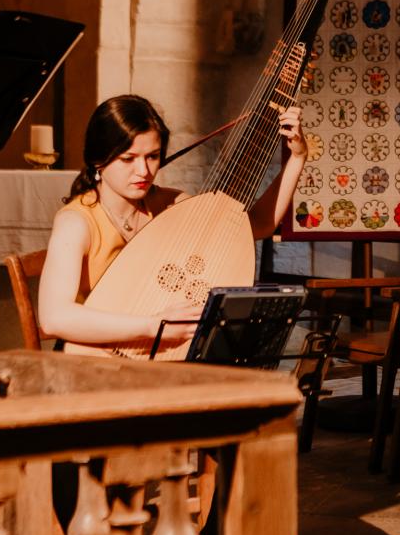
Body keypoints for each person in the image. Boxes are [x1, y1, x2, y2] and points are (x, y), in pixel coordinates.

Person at [37, 91, 306, 348]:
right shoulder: (77, 222)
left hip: (159, 353)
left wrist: (296, 157)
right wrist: (153, 326)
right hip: (100, 355)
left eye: (152, 156)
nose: (143, 171)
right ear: (99, 160)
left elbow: (258, 225)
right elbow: (53, 319)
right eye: (128, 158)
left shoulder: (169, 204)